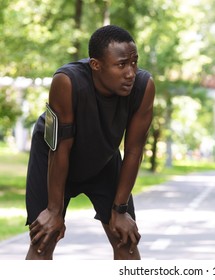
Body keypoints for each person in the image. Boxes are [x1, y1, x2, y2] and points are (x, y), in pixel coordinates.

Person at [25, 25, 155, 260]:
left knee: (126, 241)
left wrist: (120, 209)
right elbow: (59, 147)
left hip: (103, 159)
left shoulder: (143, 87)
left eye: (134, 63)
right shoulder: (66, 81)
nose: (130, 73)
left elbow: (134, 150)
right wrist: (54, 210)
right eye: (122, 64)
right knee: (43, 240)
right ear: (96, 65)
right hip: (53, 159)